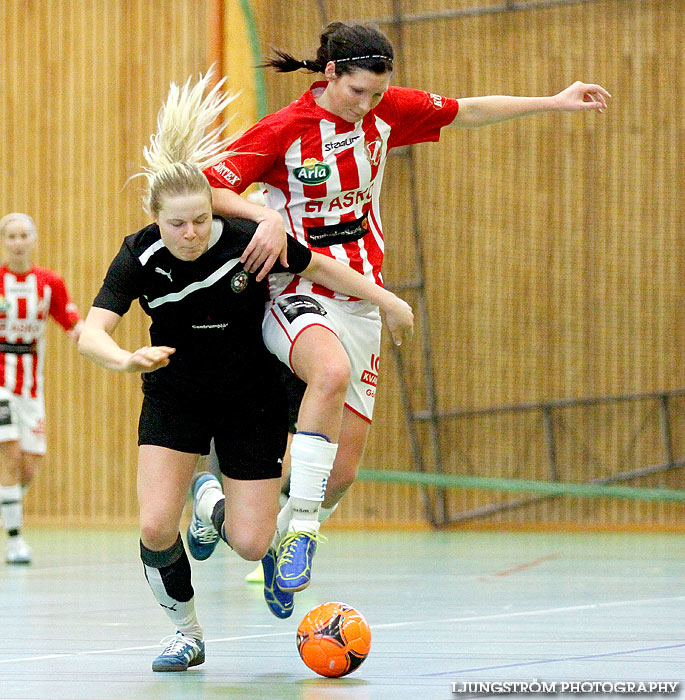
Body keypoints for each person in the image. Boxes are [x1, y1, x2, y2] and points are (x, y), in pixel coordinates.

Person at [203, 21, 611, 611]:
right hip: (297, 289)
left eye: (376, 94)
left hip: (363, 298)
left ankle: (237, 517)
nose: (366, 106)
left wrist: (554, 100)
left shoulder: (385, 114)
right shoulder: (285, 129)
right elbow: (212, 187)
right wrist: (262, 216)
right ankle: (301, 537)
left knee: (341, 472)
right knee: (330, 372)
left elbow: (467, 110)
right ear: (328, 75)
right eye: (356, 93)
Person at [77, 70, 412, 672]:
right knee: (155, 525)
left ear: (213, 210)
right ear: (155, 217)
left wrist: (386, 301)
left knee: (254, 543)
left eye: (201, 219)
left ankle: (211, 504)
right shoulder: (140, 255)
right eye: (177, 223)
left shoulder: (244, 238)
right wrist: (125, 358)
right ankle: (186, 632)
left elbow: (325, 271)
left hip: (250, 402)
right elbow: (90, 332)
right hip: (176, 396)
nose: (191, 233)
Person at [0, 213, 82, 565]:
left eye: (23, 235)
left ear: (33, 239)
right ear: (4, 241)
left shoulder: (50, 282)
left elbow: (72, 325)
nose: (18, 242)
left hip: (32, 386)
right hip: (1, 382)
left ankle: (9, 506)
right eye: (11, 236)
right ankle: (16, 540)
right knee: (10, 454)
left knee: (30, 465)